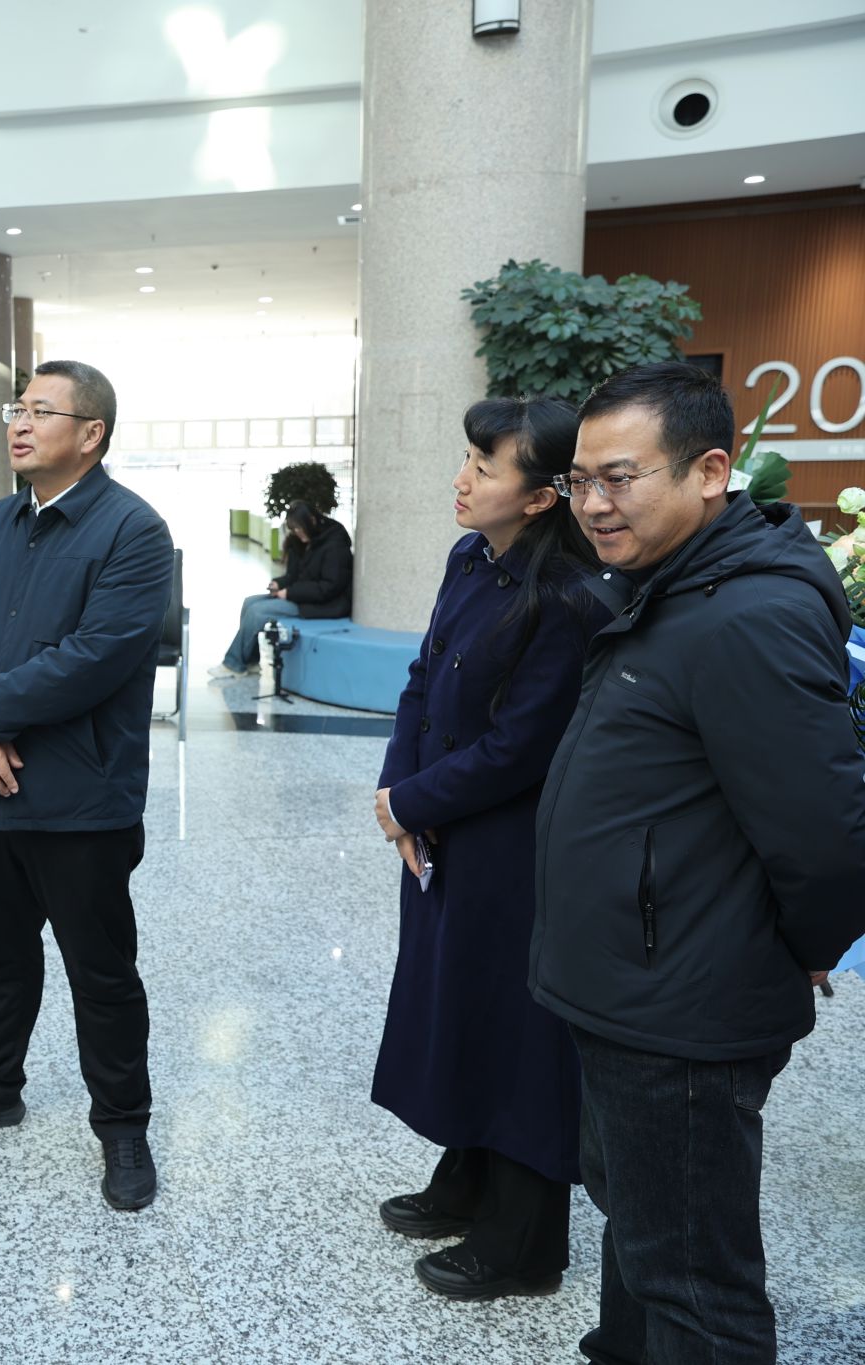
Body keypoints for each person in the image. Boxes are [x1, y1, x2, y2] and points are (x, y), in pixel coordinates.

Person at [531, 361, 865, 1365]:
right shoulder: (672, 588)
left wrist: (795, 946)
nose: (593, 505)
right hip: (633, 985)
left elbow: (825, 835)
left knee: (692, 1282)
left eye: (618, 478)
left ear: (710, 471)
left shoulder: (744, 616)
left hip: (682, 1006)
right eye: (578, 481)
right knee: (639, 1229)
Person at [0, 360, 174, 1212]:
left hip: (79, 796)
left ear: (91, 433)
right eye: (15, 409)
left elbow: (93, 658)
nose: (19, 424)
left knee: (100, 969)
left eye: (40, 411)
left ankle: (123, 1122)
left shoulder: (133, 531)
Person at [370, 397, 608, 1301]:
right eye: (467, 457)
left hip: (516, 851)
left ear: (542, 497)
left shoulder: (568, 599)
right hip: (443, 832)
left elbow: (520, 749)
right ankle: (467, 1176)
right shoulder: (469, 558)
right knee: (456, 1006)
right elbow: (422, 679)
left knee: (519, 1034)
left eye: (485, 464)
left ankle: (526, 1242)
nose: (461, 478)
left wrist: (413, 802)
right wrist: (399, 793)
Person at [206, 500, 352, 678]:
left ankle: (233, 664)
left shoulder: (334, 546)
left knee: (257, 612)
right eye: (294, 529)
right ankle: (251, 661)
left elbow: (328, 588)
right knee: (249, 602)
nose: (296, 532)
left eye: (299, 528)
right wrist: (280, 584)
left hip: (324, 605)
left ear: (312, 521)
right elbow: (295, 576)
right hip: (303, 597)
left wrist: (289, 593)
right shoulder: (306, 541)